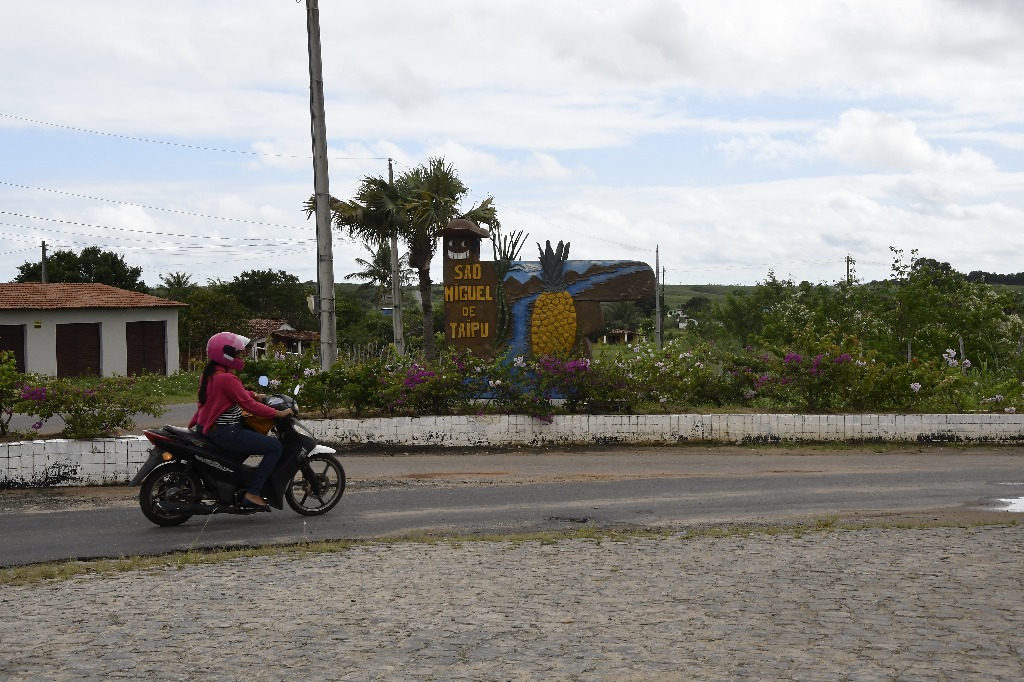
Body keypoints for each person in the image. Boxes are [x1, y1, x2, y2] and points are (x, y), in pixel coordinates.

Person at [189, 332, 293, 511]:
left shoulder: (212, 373)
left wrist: (255, 394)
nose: (239, 357)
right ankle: (253, 492)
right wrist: (277, 413)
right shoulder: (227, 378)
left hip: (209, 428)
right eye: (236, 353)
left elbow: (238, 393)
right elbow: (249, 406)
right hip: (225, 431)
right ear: (226, 354)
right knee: (275, 447)